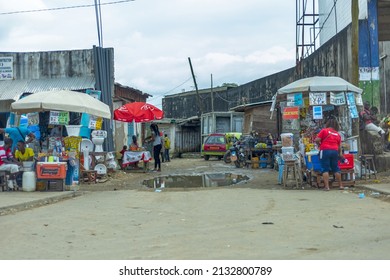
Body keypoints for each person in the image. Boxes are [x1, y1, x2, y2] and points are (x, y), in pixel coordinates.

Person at [315, 118, 344, 191]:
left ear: (327, 124)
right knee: (336, 168)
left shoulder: (324, 130)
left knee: (325, 168)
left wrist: (319, 144)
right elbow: (339, 146)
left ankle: (327, 187)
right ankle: (340, 185)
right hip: (335, 151)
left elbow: (317, 139)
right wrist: (340, 154)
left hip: (325, 150)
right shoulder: (337, 134)